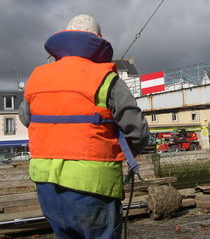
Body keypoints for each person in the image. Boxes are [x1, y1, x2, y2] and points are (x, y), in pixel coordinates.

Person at [19, 14, 149, 239]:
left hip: (46, 186)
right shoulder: (107, 79)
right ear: (98, 43)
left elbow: (25, 117)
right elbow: (138, 131)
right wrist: (128, 149)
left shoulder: (37, 78)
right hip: (93, 186)